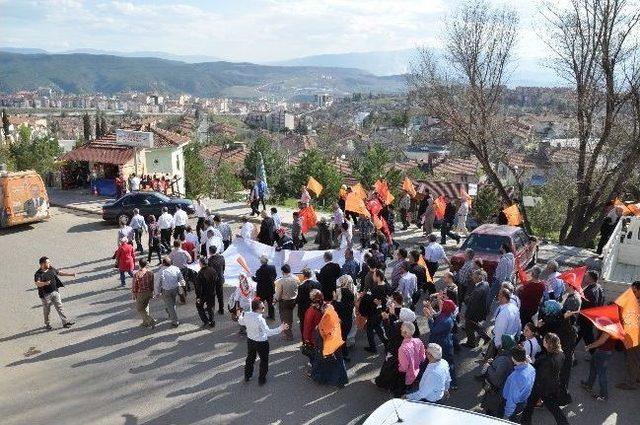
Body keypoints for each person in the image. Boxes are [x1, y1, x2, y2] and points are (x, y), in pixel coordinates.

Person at [520, 333, 569, 425]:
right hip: (552, 385)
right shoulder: (561, 354)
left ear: (547, 343)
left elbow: (537, 372)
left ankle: (525, 422)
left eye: (544, 340)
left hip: (540, 387)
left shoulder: (545, 360)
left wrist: (529, 362)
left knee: (529, 406)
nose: (542, 340)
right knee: (555, 410)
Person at [239, 299, 288, 385]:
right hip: (261, 342)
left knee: (250, 358)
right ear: (257, 309)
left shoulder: (246, 315)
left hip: (250, 340)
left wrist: (239, 315)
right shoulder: (260, 319)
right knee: (264, 360)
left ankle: (247, 376)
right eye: (262, 307)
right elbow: (268, 332)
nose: (264, 308)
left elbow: (241, 321)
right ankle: (261, 379)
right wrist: (281, 328)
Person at [310, 301, 349, 387]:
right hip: (337, 343)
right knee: (339, 362)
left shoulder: (326, 317)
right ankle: (341, 381)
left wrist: (318, 328)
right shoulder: (335, 316)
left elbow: (323, 332)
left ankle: (320, 378)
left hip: (328, 345)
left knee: (322, 361)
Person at [478, 335, 517, 417]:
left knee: (492, 415)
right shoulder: (512, 355)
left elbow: (496, 379)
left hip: (496, 395)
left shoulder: (504, 359)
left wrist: (489, 367)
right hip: (504, 391)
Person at [34, 256, 76, 330]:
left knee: (60, 307)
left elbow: (59, 273)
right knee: (47, 310)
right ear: (42, 264)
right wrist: (45, 283)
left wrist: (70, 274)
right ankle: (47, 324)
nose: (49, 263)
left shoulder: (51, 268)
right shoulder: (38, 274)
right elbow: (37, 283)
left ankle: (65, 322)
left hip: (55, 292)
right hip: (45, 295)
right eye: (48, 262)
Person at [425, 297, 458, 389]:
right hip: (445, 341)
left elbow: (434, 330)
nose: (442, 305)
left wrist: (429, 318)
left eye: (443, 304)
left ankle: (452, 383)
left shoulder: (446, 320)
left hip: (443, 344)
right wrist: (430, 308)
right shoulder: (447, 314)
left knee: (447, 363)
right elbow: (437, 315)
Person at [502, 345, 536, 421]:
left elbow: (512, 399)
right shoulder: (531, 368)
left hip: (514, 406)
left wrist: (507, 415)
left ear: (513, 358)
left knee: (513, 420)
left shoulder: (516, 377)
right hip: (523, 401)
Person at [581, 328, 616, 401]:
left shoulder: (609, 325)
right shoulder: (609, 322)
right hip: (602, 350)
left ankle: (603, 395)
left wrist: (589, 346)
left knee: (601, 373)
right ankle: (589, 385)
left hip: (603, 352)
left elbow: (601, 341)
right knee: (593, 366)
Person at [361, 269, 390, 353]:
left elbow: (370, 300)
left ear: (378, 277)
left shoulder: (376, 289)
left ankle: (374, 347)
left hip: (375, 312)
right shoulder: (386, 285)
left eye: (374, 275)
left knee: (370, 329)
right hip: (383, 311)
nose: (373, 277)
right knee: (377, 327)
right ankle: (385, 343)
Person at [489, 288, 522, 360]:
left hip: (503, 342)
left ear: (504, 298)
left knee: (498, 359)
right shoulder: (514, 308)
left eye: (499, 296)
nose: (497, 297)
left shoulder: (504, 313)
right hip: (511, 339)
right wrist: (518, 335)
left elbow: (500, 330)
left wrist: (498, 344)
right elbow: (519, 323)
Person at [577, 270, 605, 352]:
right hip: (591, 318)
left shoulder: (589, 292)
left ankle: (594, 355)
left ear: (590, 279)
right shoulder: (599, 287)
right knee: (580, 335)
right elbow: (601, 301)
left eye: (586, 276)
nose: (584, 277)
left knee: (588, 338)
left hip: (586, 319)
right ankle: (569, 350)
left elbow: (584, 307)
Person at [154, 256, 186, 327]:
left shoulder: (161, 271)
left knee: (171, 306)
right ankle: (169, 311)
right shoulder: (176, 268)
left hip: (166, 290)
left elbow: (157, 284)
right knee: (172, 302)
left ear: (163, 263)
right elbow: (181, 278)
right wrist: (183, 285)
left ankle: (175, 321)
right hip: (175, 288)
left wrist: (157, 293)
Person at [463, 269, 491, 348]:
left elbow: (472, 305)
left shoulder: (478, 291)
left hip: (474, 313)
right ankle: (486, 337)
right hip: (481, 310)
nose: (472, 278)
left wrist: (467, 315)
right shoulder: (486, 284)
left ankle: (471, 343)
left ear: (478, 278)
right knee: (475, 325)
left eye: (474, 277)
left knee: (468, 327)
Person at [397, 322, 426, 390]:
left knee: (408, 389)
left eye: (401, 329)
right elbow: (423, 357)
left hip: (409, 375)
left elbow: (404, 367)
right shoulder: (418, 340)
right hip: (418, 370)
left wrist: (399, 368)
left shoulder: (402, 349)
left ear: (404, 333)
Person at [334, 275, 355, 361]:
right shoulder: (351, 292)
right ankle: (344, 354)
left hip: (341, 321)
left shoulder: (340, 292)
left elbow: (338, 308)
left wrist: (335, 300)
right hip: (348, 320)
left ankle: (345, 355)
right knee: (344, 337)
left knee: (342, 338)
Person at [274, 264, 298, 340]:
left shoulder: (281, 281)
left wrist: (275, 300)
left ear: (282, 271)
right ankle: (288, 331)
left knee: (285, 318)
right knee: (289, 317)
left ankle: (288, 335)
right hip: (293, 300)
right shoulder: (296, 278)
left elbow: (278, 294)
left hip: (284, 301)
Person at [296, 268, 322, 339]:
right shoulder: (318, 284)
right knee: (316, 323)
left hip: (304, 310)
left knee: (304, 325)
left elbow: (298, 299)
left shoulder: (301, 287)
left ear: (304, 276)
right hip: (316, 308)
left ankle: (306, 341)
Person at [132, 258, 156, 328]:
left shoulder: (137, 274)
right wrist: (152, 292)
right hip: (149, 292)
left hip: (141, 293)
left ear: (139, 265)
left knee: (139, 308)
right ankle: (145, 322)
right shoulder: (150, 273)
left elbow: (134, 286)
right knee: (145, 305)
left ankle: (150, 320)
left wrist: (134, 294)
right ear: (146, 264)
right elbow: (152, 283)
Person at [195, 257, 217, 328]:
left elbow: (198, 287)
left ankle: (205, 321)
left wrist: (198, 297)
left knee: (199, 306)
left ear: (201, 263)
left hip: (203, 294)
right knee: (210, 308)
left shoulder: (200, 273)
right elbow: (217, 280)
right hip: (212, 292)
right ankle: (212, 321)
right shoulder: (213, 270)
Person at [253, 255, 277, 320]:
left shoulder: (259, 271)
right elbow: (275, 276)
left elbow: (257, 280)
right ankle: (272, 316)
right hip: (270, 289)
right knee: (270, 304)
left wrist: (252, 278)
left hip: (261, 290)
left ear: (261, 262)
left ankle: (258, 316)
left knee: (259, 303)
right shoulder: (272, 267)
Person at [207, 246, 225, 315]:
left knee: (212, 295)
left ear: (210, 251)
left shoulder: (209, 261)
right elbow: (223, 268)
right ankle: (221, 309)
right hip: (220, 279)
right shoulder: (221, 258)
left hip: (213, 281)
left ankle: (212, 308)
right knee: (220, 295)